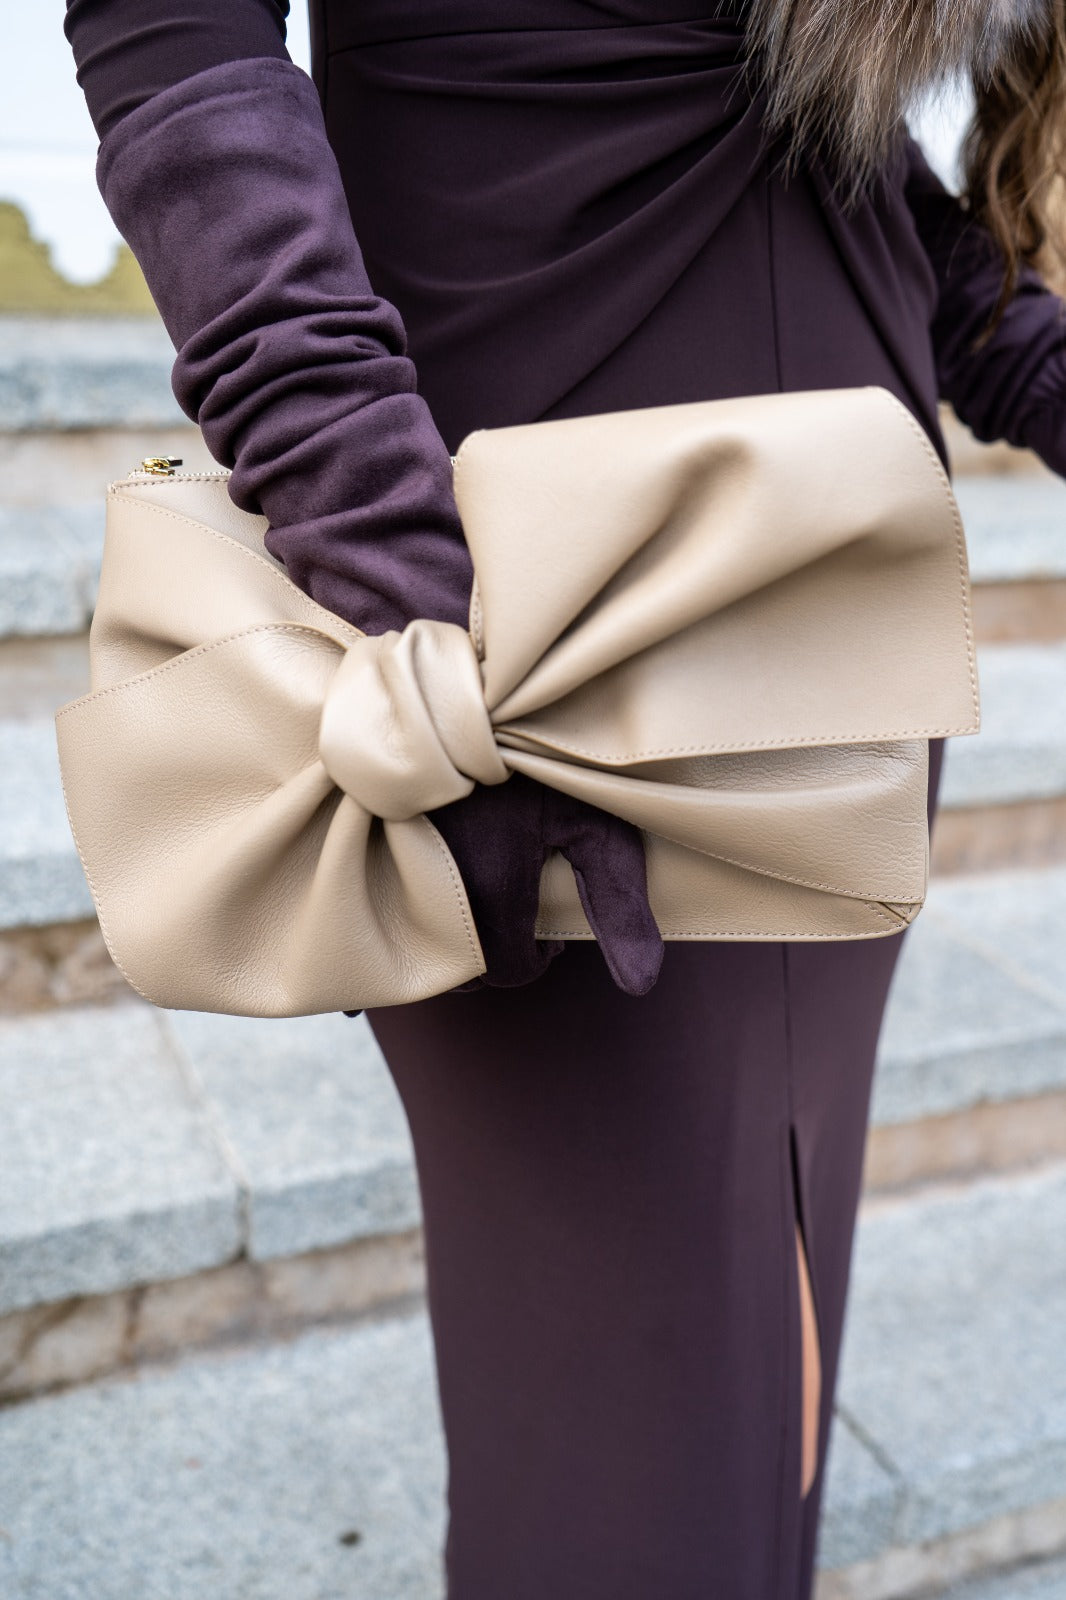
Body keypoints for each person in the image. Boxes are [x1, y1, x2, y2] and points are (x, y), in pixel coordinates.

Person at [64, 3, 1066, 1595]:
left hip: (827, 669)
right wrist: (396, 579)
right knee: (628, 1434)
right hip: (533, 665)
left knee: (764, 1358)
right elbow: (173, 29)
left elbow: (844, 164)